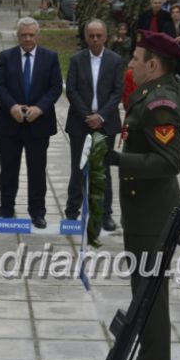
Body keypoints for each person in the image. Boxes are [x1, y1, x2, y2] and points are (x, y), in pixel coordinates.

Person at [104, 29, 180, 360]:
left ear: (152, 65)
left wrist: (120, 160)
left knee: (151, 298)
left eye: (135, 59)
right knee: (144, 294)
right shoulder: (147, 94)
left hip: (153, 217)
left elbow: (170, 162)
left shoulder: (160, 102)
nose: (130, 64)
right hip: (141, 212)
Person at [0, 17, 63, 228]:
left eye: (32, 35)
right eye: (24, 35)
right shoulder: (6, 56)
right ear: (18, 36)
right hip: (9, 123)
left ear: (38, 35)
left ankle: (37, 212)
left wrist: (40, 108)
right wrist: (12, 106)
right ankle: (6, 210)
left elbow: (55, 87)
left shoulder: (50, 57)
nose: (28, 39)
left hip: (38, 125)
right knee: (8, 170)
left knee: (37, 171)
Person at [64, 20, 124, 230]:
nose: (95, 39)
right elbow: (71, 89)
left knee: (104, 170)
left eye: (99, 35)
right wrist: (87, 115)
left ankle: (105, 214)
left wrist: (102, 116)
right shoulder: (76, 60)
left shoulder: (115, 60)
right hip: (80, 123)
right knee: (78, 168)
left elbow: (118, 91)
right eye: (92, 35)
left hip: (106, 125)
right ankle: (72, 213)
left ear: (105, 36)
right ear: (86, 37)